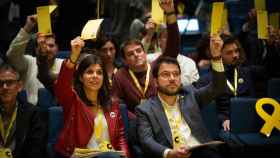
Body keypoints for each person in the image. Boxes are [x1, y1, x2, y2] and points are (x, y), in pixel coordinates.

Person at [135, 34, 226, 158]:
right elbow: (146, 141)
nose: (172, 79)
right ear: (155, 81)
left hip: (199, 151)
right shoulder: (145, 109)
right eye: (166, 74)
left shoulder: (191, 95)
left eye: (176, 74)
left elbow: (218, 87)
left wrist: (216, 57)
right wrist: (169, 153)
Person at [54, 36, 130, 158]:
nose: (95, 76)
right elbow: (61, 86)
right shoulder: (73, 101)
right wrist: (73, 58)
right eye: (89, 72)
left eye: (99, 72)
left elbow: (120, 138)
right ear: (80, 77)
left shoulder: (112, 104)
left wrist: (125, 156)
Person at [112, 0, 180, 114]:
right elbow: (116, 105)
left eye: (139, 51)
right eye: (130, 54)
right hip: (136, 124)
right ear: (125, 60)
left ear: (144, 53)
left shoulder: (156, 66)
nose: (136, 55)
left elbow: (173, 46)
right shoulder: (120, 76)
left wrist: (170, 13)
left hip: (163, 116)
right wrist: (137, 119)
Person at [6, 14, 63, 105]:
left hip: (56, 111)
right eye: (42, 45)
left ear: (57, 49)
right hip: (30, 112)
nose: (47, 49)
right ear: (36, 49)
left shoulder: (65, 64)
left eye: (51, 46)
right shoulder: (29, 62)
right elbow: (12, 55)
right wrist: (27, 28)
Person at [0, 63, 47, 158]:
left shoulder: (34, 114)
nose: (4, 87)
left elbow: (36, 151)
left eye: (9, 82)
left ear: (19, 86)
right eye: (0, 83)